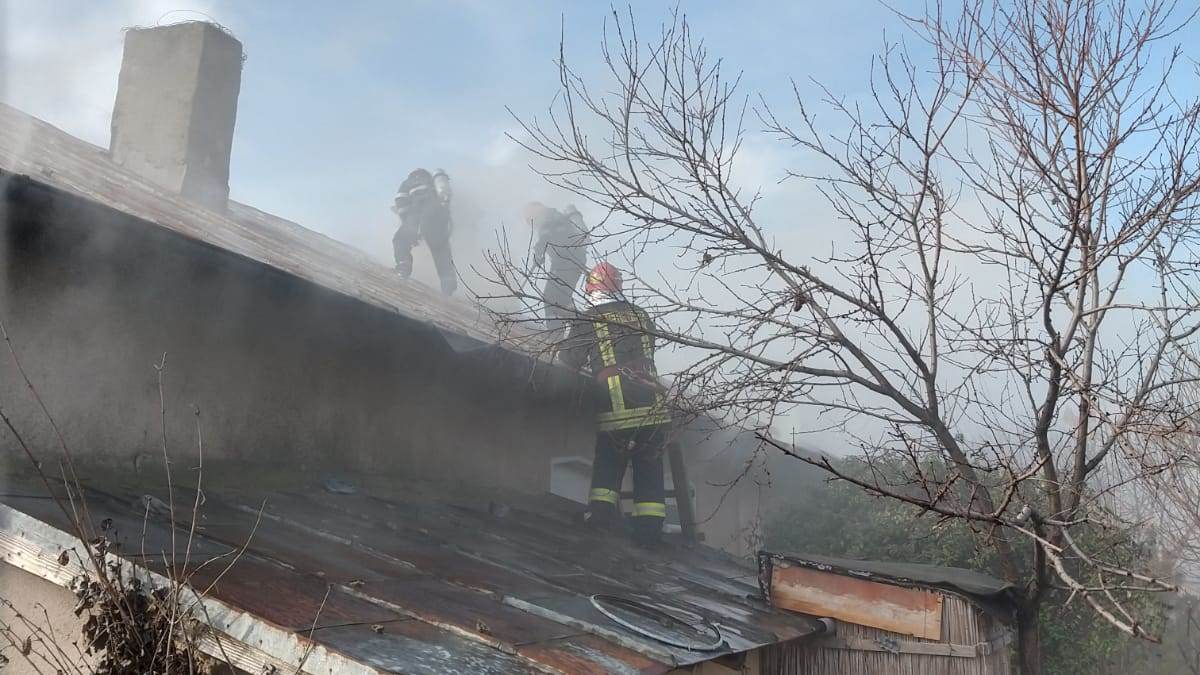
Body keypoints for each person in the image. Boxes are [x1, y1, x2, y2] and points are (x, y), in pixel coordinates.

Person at [560, 262, 672, 544]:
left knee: (609, 463)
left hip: (617, 406)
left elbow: (569, 359)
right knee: (649, 468)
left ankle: (600, 520)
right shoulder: (641, 315)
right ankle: (649, 532)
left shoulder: (589, 318)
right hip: (653, 407)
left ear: (593, 290)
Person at [524, 202, 589, 338]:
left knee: (549, 299)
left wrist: (539, 253)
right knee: (563, 300)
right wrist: (540, 253)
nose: (530, 221)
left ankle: (555, 338)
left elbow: (545, 237)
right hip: (573, 263)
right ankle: (583, 326)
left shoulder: (548, 218)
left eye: (529, 216)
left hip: (565, 263)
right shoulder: (556, 217)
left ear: (536, 210)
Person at [392, 168, 457, 295]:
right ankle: (448, 284)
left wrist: (408, 225)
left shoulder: (408, 183)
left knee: (400, 240)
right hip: (437, 215)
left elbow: (401, 202)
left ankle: (403, 268)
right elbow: (444, 198)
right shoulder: (432, 182)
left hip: (417, 215)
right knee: (440, 248)